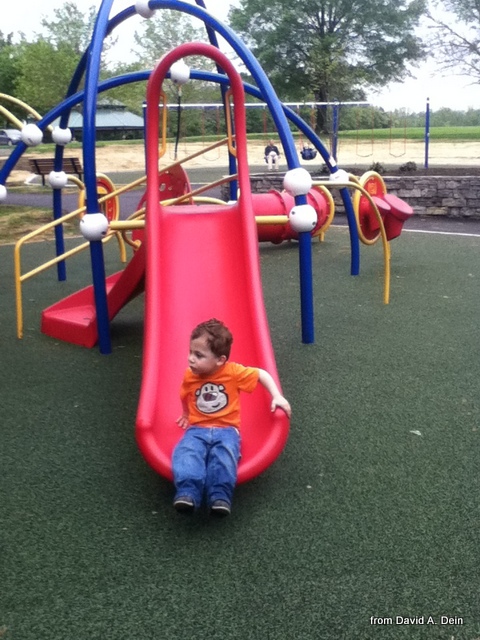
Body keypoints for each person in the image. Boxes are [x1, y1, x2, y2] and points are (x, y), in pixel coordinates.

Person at [172, 318, 291, 517]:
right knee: (187, 452)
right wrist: (185, 413)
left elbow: (261, 374)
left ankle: (219, 496)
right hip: (197, 428)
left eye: (199, 355)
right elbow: (184, 395)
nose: (191, 359)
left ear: (220, 360)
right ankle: (188, 492)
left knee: (224, 454)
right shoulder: (189, 376)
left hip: (227, 430)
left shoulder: (233, 372)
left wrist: (277, 395)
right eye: (191, 352)